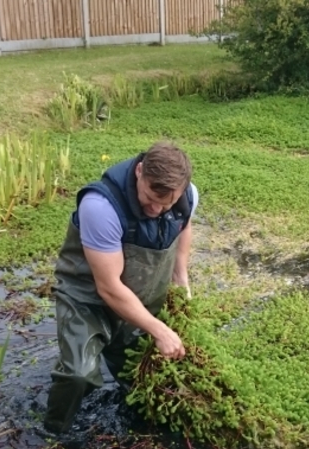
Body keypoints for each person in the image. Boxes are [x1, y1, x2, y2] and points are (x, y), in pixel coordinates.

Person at [44, 141, 198, 433]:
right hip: (89, 301)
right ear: (140, 171)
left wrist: (181, 278)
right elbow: (110, 288)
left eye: (167, 203)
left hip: (140, 301)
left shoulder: (187, 196)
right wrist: (160, 330)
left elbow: (184, 225)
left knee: (143, 381)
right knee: (78, 376)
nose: (157, 209)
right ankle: (53, 434)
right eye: (151, 197)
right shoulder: (100, 207)